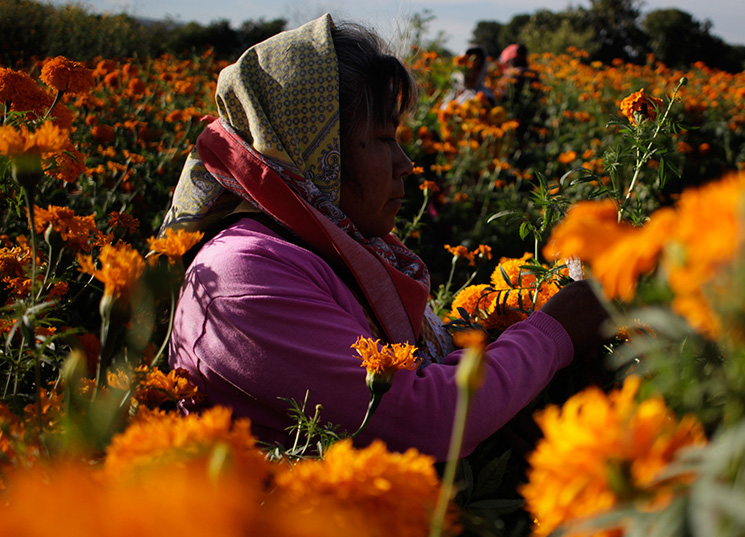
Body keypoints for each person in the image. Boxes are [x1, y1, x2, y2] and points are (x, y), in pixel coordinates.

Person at [161, 15, 609, 461]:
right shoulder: (240, 277)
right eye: (382, 137)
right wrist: (556, 331)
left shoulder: (325, 246)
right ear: (318, 154)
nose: (405, 162)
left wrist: (500, 403)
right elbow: (424, 420)